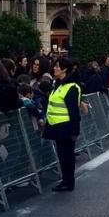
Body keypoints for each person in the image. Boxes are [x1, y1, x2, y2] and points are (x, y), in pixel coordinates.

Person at [43, 58, 82, 192]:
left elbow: (73, 111)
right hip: (57, 126)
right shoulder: (59, 84)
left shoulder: (70, 87)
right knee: (62, 155)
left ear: (64, 69)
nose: (54, 68)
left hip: (65, 127)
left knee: (67, 156)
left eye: (57, 67)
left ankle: (68, 182)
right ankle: (65, 180)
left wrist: (74, 131)